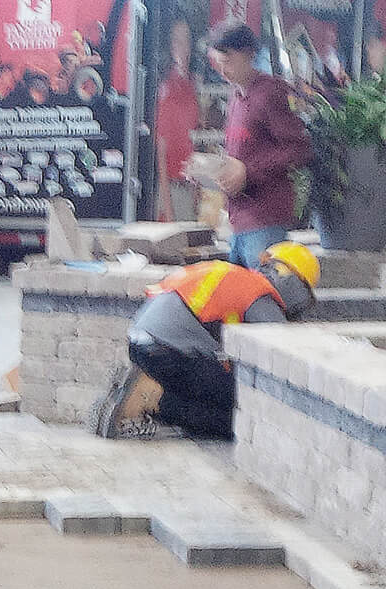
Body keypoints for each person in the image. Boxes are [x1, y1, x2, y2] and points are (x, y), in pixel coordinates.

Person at [88, 241, 319, 441]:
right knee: (237, 414)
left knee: (211, 388)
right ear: (295, 284)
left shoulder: (234, 276)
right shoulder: (262, 296)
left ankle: (142, 392)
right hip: (168, 353)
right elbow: (280, 352)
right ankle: (154, 399)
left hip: (142, 344)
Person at [206, 21, 311, 269]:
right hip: (238, 220)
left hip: (265, 219)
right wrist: (212, 171)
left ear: (248, 53)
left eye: (228, 61)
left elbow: (300, 149)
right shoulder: (235, 96)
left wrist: (248, 172)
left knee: (264, 297)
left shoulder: (270, 93)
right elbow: (240, 153)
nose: (223, 71)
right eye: (218, 63)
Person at [154, 18, 202, 223]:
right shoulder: (166, 88)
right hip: (171, 190)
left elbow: (195, 139)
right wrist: (168, 207)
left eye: (186, 40)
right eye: (177, 41)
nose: (182, 47)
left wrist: (198, 188)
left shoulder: (192, 86)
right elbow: (161, 151)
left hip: (190, 188)